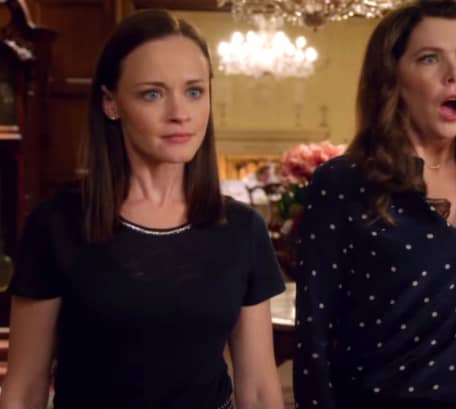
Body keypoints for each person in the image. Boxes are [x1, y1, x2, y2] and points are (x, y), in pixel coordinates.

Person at [0, 9, 285, 409]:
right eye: (153, 93)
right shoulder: (57, 224)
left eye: (194, 91)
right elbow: (25, 387)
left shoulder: (242, 229)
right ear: (111, 103)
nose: (180, 113)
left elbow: (258, 389)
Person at [293, 1, 456, 408]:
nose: (453, 73)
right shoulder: (344, 183)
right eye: (430, 58)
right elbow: (314, 334)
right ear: (391, 77)